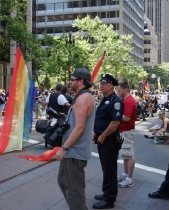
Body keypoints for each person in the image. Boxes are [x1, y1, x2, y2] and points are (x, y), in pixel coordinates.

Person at [55, 68, 96, 210]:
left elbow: (79, 128)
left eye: (72, 80)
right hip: (73, 151)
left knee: (74, 189)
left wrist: (64, 148)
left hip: (75, 152)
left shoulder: (83, 98)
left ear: (81, 81)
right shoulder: (81, 97)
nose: (69, 82)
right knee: (63, 181)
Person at [93, 74, 124, 209]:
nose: (101, 85)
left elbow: (115, 122)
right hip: (102, 138)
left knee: (110, 170)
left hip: (109, 140)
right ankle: (107, 193)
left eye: (104, 83)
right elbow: (101, 119)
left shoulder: (116, 101)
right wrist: (96, 133)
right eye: (101, 83)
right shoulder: (105, 99)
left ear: (111, 85)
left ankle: (109, 199)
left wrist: (103, 135)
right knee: (106, 169)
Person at [116, 82, 137, 188]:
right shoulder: (127, 100)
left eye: (119, 90)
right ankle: (125, 174)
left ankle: (129, 178)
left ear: (125, 89)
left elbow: (127, 118)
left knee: (129, 154)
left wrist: (116, 115)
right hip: (125, 130)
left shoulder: (128, 101)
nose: (117, 92)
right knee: (126, 154)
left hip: (127, 130)